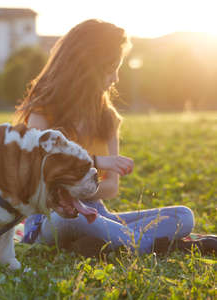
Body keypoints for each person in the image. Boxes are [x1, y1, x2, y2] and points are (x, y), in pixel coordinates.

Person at [15, 19, 216, 256]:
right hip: (52, 217)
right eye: (112, 68)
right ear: (89, 67)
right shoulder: (43, 110)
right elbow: (35, 175)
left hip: (97, 214)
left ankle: (104, 243)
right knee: (74, 220)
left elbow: (110, 188)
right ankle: (158, 245)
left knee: (183, 215)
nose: (116, 79)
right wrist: (93, 164)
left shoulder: (107, 118)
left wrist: (74, 187)